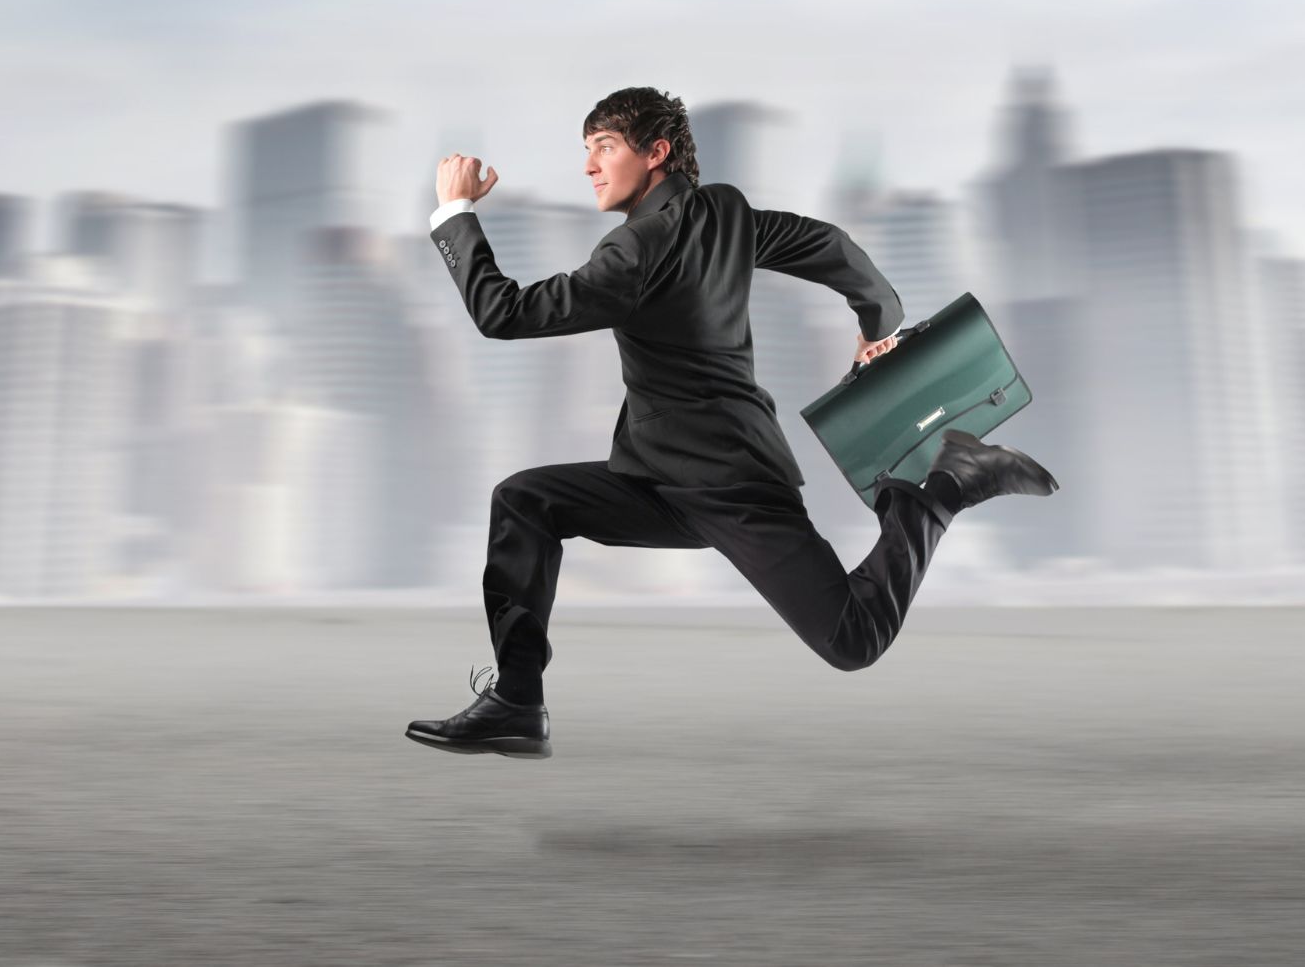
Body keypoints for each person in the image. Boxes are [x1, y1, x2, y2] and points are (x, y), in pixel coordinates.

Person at [407, 87, 1058, 758]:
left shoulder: (634, 250)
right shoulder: (725, 212)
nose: (589, 166)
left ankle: (943, 489)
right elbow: (830, 244)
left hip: (727, 486)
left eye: (604, 147)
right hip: (661, 477)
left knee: (852, 638)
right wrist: (878, 321)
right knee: (525, 500)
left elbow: (503, 313)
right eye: (587, 150)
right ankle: (517, 702)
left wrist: (456, 212)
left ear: (655, 152)